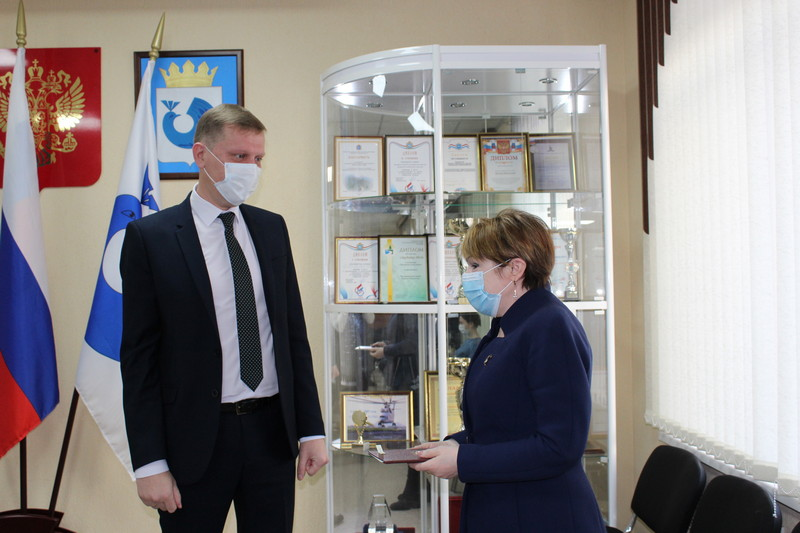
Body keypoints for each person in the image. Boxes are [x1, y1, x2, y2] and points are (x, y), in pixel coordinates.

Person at [119, 104, 328, 533]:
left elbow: (292, 335)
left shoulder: (271, 228)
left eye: (258, 158)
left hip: (271, 435)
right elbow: (139, 360)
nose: (251, 168)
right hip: (194, 440)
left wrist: (311, 430)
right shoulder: (151, 238)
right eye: (239, 156)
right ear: (201, 155)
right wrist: (149, 462)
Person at [411, 209, 605, 532]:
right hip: (502, 506)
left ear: (515, 268)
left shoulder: (550, 326)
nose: (467, 276)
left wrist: (463, 460)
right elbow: (506, 423)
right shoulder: (506, 325)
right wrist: (456, 445)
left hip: (541, 513)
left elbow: (560, 445)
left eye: (475, 266)